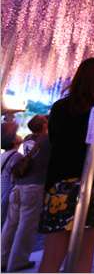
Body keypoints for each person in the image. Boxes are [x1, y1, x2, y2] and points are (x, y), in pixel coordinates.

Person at [38, 58, 94, 274]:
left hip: (59, 187)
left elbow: (54, 140)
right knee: (84, 256)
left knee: (51, 257)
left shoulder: (60, 107)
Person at [1, 115, 51, 272]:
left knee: (10, 225)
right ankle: (18, 262)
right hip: (33, 188)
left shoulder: (29, 138)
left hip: (18, 187)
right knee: (26, 227)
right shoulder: (48, 141)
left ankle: (2, 260)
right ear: (44, 127)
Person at [1, 134, 23, 228]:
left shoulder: (4, 154)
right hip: (8, 187)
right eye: (16, 135)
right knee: (5, 215)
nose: (19, 136)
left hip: (2, 185)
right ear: (13, 141)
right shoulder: (16, 155)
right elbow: (16, 174)